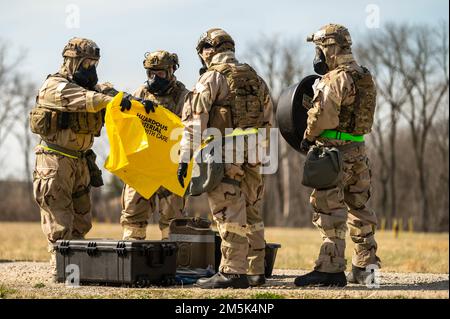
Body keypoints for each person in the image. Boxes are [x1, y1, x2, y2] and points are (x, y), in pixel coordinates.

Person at [30, 37, 153, 278]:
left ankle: (75, 267)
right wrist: (115, 100)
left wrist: (137, 104)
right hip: (54, 161)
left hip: (80, 160)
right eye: (87, 63)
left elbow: (113, 96)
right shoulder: (55, 87)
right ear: (71, 61)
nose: (92, 69)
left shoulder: (92, 87)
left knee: (82, 219)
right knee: (60, 218)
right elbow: (90, 101)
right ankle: (61, 268)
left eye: (95, 63)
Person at [177, 28, 273, 289]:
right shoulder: (255, 78)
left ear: (208, 51)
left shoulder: (211, 78)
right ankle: (255, 270)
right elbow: (268, 120)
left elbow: (194, 123)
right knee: (252, 210)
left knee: (228, 210)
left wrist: (185, 157)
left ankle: (232, 272)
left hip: (225, 153)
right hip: (253, 153)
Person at [295, 24, 381, 287]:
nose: (317, 55)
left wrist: (307, 136)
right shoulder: (365, 76)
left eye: (319, 48)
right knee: (360, 207)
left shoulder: (334, 79)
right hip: (359, 150)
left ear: (329, 48)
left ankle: (330, 269)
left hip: (333, 153)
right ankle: (366, 269)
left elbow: (323, 117)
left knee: (328, 208)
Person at [120, 50, 189, 240]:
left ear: (171, 71)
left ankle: (173, 262)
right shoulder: (140, 93)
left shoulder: (184, 96)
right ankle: (131, 259)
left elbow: (191, 130)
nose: (154, 78)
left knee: (173, 221)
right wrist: (127, 104)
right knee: (133, 215)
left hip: (170, 167)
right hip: (143, 166)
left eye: (159, 74)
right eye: (150, 73)